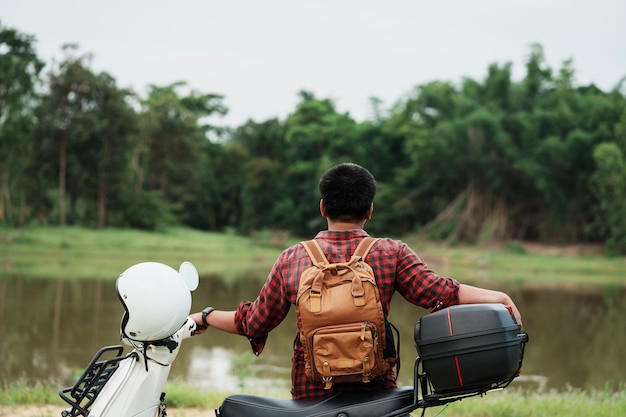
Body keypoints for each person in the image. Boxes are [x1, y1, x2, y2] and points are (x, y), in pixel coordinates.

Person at [191, 162, 522, 400]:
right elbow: (440, 293)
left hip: (311, 397)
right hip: (377, 396)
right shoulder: (391, 252)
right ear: (370, 210)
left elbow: (252, 322)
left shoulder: (293, 258)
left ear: (323, 207)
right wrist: (500, 297)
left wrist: (203, 316)